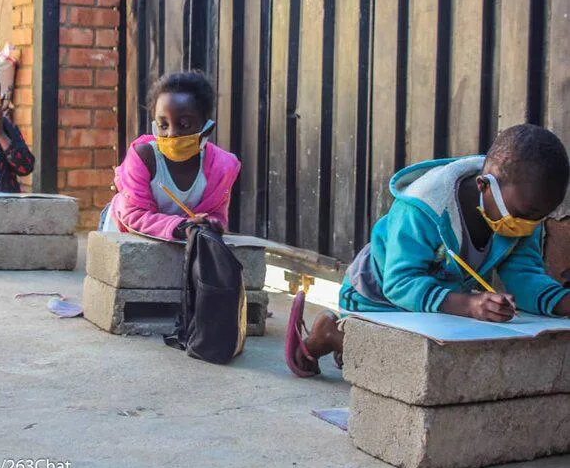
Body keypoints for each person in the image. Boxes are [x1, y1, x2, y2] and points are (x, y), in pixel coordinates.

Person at [286, 124, 570, 377]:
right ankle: (333, 334)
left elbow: (525, 276)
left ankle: (361, 353)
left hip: (432, 308)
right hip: (377, 300)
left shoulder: (521, 216)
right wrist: (469, 305)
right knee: (422, 374)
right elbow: (399, 283)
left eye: (539, 218)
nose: (529, 225)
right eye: (524, 214)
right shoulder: (423, 206)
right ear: (485, 186)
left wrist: (562, 303)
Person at [101, 71, 241, 240]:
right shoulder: (143, 157)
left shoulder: (221, 167)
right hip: (123, 233)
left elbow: (215, 214)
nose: (172, 133)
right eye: (163, 125)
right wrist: (181, 226)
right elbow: (133, 214)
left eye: (184, 124)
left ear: (207, 128)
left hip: (180, 241)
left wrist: (211, 223)